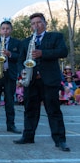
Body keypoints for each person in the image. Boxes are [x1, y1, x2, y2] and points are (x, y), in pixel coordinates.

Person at [13, 12, 70, 152]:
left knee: (53, 110)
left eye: (38, 22)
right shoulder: (26, 42)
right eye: (33, 23)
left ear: (45, 23)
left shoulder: (56, 36)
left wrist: (42, 53)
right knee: (30, 110)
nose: (36, 25)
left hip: (49, 80)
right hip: (31, 80)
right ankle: (28, 136)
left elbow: (63, 51)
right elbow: (20, 61)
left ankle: (60, 140)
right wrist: (22, 71)